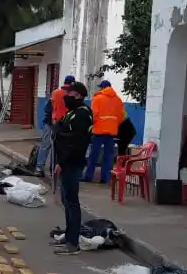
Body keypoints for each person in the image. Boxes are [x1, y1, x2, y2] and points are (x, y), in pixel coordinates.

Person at [52, 81, 93, 255]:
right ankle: (68, 236)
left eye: (71, 94)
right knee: (66, 201)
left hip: (72, 163)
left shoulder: (82, 114)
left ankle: (73, 244)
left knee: (72, 202)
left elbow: (75, 143)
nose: (67, 96)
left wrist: (61, 163)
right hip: (65, 161)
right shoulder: (72, 113)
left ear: (79, 96)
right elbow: (62, 133)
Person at [85, 79, 125, 184]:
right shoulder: (118, 100)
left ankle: (88, 176)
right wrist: (113, 124)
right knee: (108, 156)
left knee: (94, 155)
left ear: (102, 88)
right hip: (111, 132)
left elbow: (93, 115)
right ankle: (105, 178)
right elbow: (121, 116)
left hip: (98, 131)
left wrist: (91, 125)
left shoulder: (97, 98)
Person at [35, 74, 74, 175]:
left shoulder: (55, 93)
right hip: (64, 125)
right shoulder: (73, 95)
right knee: (59, 146)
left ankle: (39, 168)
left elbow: (47, 108)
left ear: (64, 83)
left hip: (51, 122)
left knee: (45, 145)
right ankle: (55, 168)